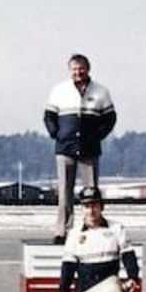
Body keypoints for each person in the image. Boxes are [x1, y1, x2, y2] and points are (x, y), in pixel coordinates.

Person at [44, 54, 116, 244]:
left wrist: (98, 135)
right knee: (64, 193)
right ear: (70, 70)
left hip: (89, 149)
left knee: (91, 193)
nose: (78, 72)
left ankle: (91, 228)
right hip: (65, 148)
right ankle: (62, 231)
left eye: (81, 68)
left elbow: (110, 118)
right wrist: (56, 133)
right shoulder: (59, 90)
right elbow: (49, 116)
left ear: (88, 69)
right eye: (74, 69)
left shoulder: (101, 91)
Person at [56, 186, 139, 292]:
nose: (91, 211)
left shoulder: (116, 228)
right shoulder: (74, 234)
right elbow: (68, 267)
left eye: (94, 205)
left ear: (102, 207)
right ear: (82, 209)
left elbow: (128, 255)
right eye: (86, 206)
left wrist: (132, 277)